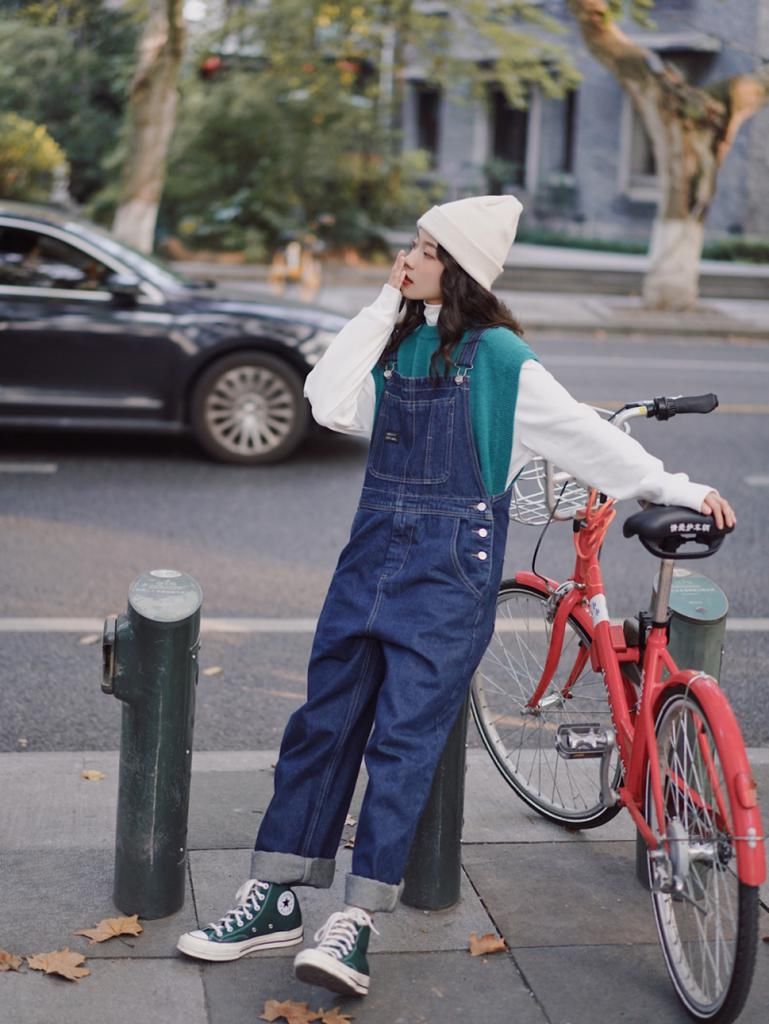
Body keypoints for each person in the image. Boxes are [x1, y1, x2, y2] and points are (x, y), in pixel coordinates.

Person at [176, 195, 735, 996]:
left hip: (449, 574)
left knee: (402, 743)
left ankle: (354, 921)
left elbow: (592, 441)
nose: (408, 257)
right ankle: (271, 898)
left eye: (425, 249)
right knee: (320, 725)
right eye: (412, 244)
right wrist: (383, 303)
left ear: (459, 268)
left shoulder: (502, 360)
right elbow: (327, 401)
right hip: (367, 563)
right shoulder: (401, 342)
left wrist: (678, 484)